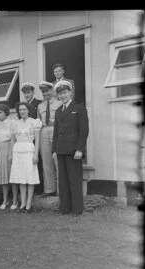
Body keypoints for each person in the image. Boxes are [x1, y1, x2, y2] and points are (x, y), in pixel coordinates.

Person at [52, 80, 89, 215]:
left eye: (65, 93)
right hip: (61, 150)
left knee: (74, 180)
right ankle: (65, 208)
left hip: (74, 151)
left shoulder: (79, 108)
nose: (63, 96)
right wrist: (54, 150)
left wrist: (79, 149)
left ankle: (77, 209)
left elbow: (84, 131)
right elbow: (56, 132)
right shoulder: (57, 111)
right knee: (63, 181)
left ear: (70, 93)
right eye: (60, 94)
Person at [9, 102, 42, 213]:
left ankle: (28, 204)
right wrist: (11, 154)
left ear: (28, 110)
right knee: (21, 178)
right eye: (20, 110)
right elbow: (13, 140)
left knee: (30, 177)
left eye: (24, 109)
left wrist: (36, 154)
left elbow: (37, 139)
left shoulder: (34, 122)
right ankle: (22, 203)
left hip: (29, 151)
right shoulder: (15, 123)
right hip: (17, 151)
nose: (22, 111)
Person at [18, 82, 44, 195]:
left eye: (28, 92)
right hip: (25, 139)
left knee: (37, 161)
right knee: (26, 165)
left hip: (35, 136)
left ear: (33, 92)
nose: (27, 95)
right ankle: (27, 187)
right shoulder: (22, 105)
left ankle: (38, 189)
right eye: (25, 93)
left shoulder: (38, 103)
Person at [37, 81, 62, 197]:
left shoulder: (59, 103)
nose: (45, 93)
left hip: (55, 131)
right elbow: (38, 121)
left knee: (58, 160)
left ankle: (61, 190)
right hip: (44, 132)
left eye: (47, 91)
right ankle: (49, 189)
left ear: (52, 91)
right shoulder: (40, 106)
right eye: (43, 91)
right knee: (46, 161)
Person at [0, 104, 15, 210]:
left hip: (10, 149)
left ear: (6, 112)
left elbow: (14, 139)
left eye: (0, 112)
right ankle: (5, 200)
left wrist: (12, 153)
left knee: (13, 176)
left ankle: (14, 200)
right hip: (0, 151)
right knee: (3, 177)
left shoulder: (12, 123)